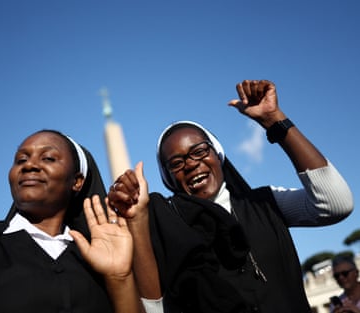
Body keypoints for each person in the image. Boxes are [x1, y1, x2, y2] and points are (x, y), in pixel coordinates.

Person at [108, 80, 354, 313]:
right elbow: (154, 306)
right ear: (169, 179)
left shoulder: (264, 203)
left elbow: (335, 204)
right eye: (176, 162)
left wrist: (275, 120)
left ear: (218, 156)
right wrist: (137, 219)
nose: (191, 164)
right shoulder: (165, 228)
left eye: (200, 151)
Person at [0, 129, 149, 313]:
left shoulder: (99, 260)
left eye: (48, 158)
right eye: (21, 159)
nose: (29, 165)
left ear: (77, 182)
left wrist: (120, 277)